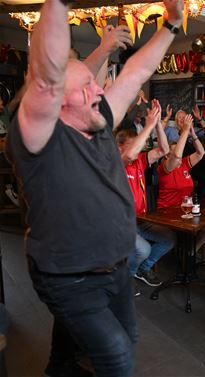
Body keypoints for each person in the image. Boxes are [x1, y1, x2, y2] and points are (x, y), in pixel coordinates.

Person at [5, 1, 184, 376]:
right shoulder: (40, 138)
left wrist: (170, 25)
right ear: (58, 102)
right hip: (71, 277)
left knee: (103, 342)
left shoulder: (97, 119)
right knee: (116, 356)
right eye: (86, 86)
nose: (97, 89)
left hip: (114, 267)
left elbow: (136, 72)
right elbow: (46, 75)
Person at [116, 99, 176, 288]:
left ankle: (144, 268)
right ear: (119, 147)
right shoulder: (116, 161)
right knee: (143, 249)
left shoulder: (141, 160)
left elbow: (165, 150)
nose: (140, 147)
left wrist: (158, 124)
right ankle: (126, 281)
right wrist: (148, 125)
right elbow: (130, 155)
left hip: (141, 220)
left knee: (169, 239)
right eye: (135, 143)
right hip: (121, 223)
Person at [157, 111, 205, 208]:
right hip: (167, 213)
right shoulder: (165, 167)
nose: (178, 153)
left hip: (184, 211)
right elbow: (176, 156)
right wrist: (185, 130)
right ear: (166, 156)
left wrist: (193, 135)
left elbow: (201, 153)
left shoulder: (184, 164)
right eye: (174, 152)